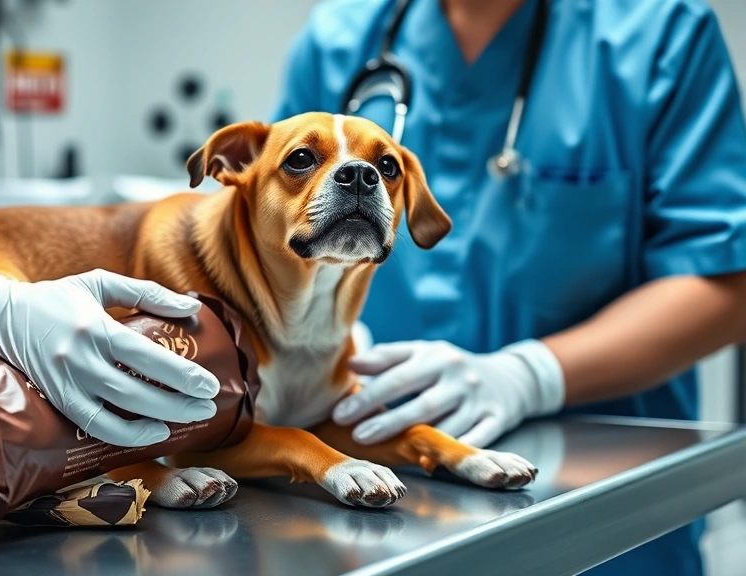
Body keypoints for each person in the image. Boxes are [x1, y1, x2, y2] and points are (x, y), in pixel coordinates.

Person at [270, 0, 746, 574]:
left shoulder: (659, 35)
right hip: (365, 510)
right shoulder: (340, 38)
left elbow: (725, 278)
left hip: (599, 522)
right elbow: (262, 231)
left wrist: (529, 376)